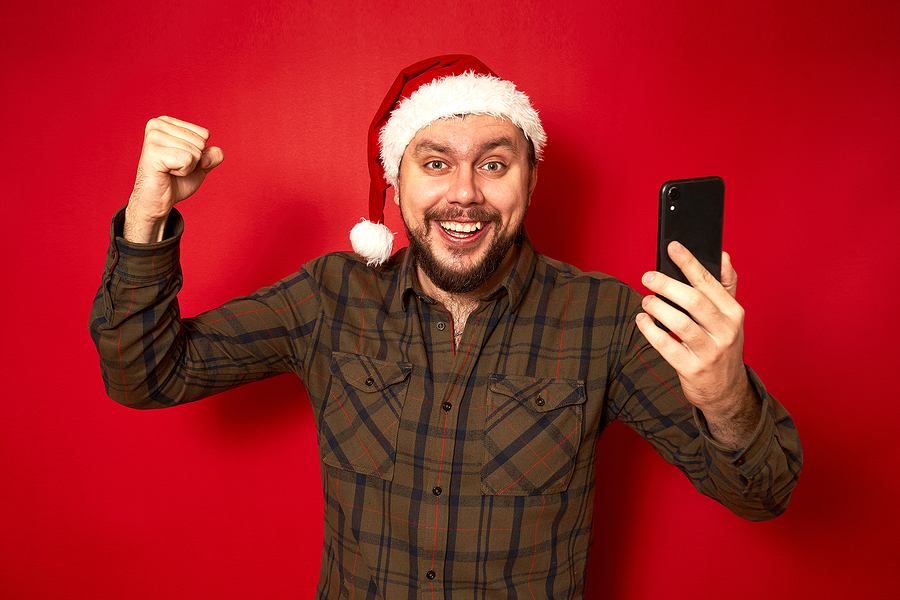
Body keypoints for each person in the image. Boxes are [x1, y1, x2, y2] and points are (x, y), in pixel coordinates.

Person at [89, 55, 801, 599]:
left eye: (494, 163)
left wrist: (723, 394)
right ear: (396, 184)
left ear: (529, 181)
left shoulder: (606, 319)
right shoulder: (327, 298)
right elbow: (144, 374)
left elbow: (764, 492)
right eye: (436, 163)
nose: (465, 192)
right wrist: (149, 212)